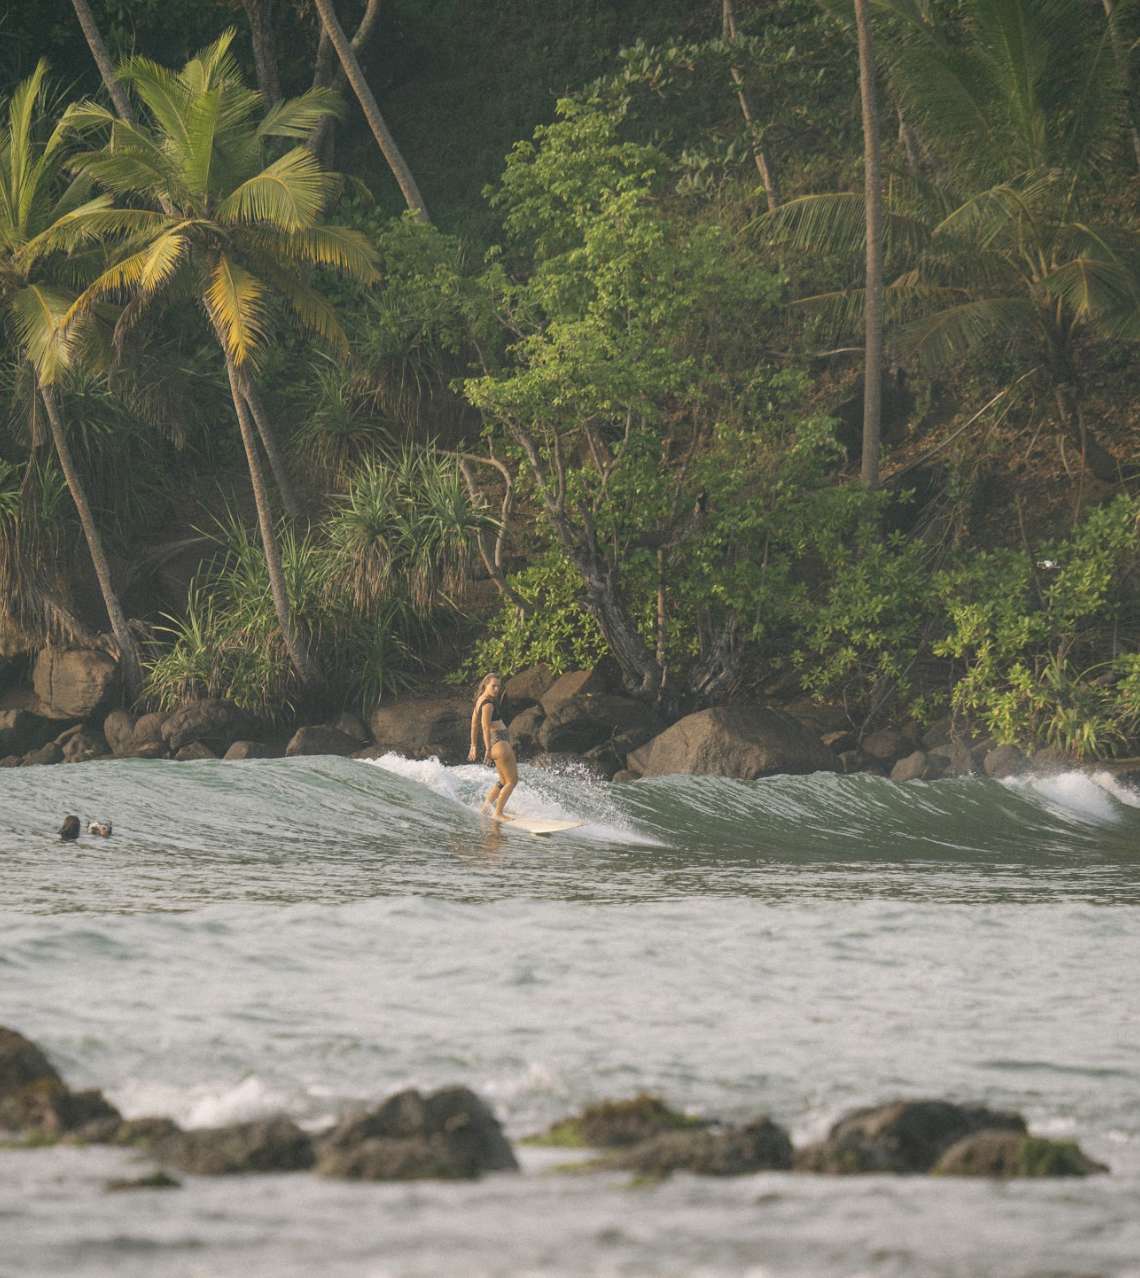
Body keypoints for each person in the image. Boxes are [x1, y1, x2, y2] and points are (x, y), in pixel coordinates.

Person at [468, 672, 518, 820]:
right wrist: (488, 750)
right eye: (493, 686)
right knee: (512, 781)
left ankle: (485, 807)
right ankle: (499, 813)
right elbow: (483, 727)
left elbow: (473, 724)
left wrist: (474, 746)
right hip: (499, 743)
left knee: (503, 781)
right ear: (485, 685)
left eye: (498, 687)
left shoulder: (480, 701)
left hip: (496, 743)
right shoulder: (488, 704)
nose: (496, 689)